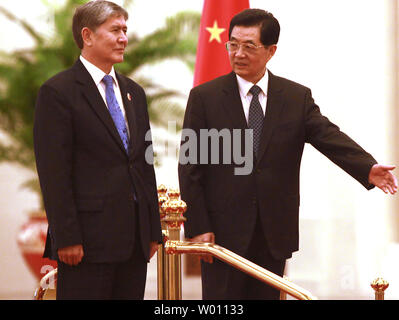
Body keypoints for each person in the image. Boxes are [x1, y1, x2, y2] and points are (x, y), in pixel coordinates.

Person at [178, 8, 397, 300]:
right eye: (233, 44)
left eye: (249, 46)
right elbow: (190, 166)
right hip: (222, 234)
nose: (238, 53)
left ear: (271, 51)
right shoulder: (205, 97)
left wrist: (366, 168)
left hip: (273, 231)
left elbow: (328, 136)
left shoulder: (295, 97)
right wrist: (199, 226)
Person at [33, 0, 162, 300]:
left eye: (125, 30)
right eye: (115, 30)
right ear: (88, 35)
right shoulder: (58, 92)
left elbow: (144, 164)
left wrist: (152, 228)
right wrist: (66, 236)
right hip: (86, 243)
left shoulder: (134, 93)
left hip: (133, 241)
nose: (124, 38)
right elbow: (54, 172)